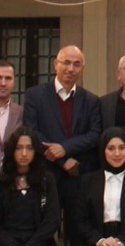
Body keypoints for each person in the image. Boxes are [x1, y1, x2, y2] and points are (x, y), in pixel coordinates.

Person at [23, 45, 102, 211]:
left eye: (76, 64)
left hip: (79, 173)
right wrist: (62, 160)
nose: (70, 69)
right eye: (66, 63)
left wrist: (65, 148)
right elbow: (31, 132)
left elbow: (95, 134)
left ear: (82, 68)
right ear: (55, 64)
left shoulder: (91, 100)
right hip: (46, 173)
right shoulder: (35, 95)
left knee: (77, 230)